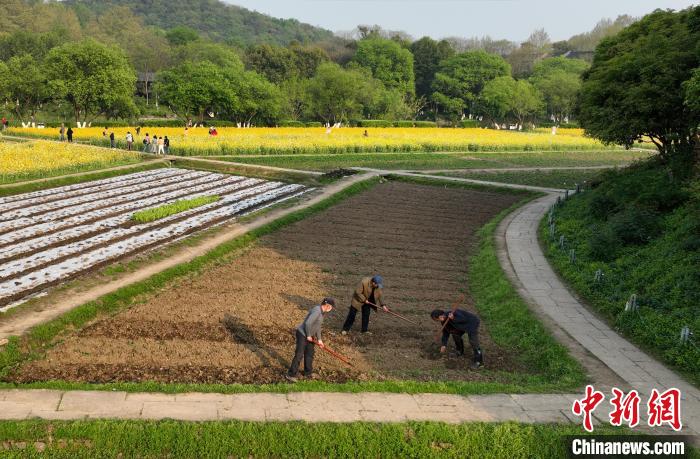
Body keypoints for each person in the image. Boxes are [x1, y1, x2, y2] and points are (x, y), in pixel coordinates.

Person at [286, 297, 335, 382]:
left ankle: (308, 373)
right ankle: (290, 374)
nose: (331, 309)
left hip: (309, 336)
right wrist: (308, 335)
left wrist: (319, 340)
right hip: (302, 334)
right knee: (299, 354)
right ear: (327, 306)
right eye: (331, 307)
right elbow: (308, 323)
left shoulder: (322, 312)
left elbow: (318, 326)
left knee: (309, 354)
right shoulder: (317, 311)